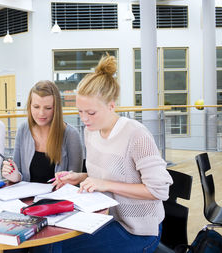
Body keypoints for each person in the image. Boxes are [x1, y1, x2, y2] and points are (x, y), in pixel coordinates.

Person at [53, 55, 173, 253]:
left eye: (91, 113)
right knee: (51, 243)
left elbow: (159, 191)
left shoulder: (136, 135)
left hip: (138, 231)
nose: (84, 119)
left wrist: (105, 185)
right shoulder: (91, 131)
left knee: (58, 248)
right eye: (80, 111)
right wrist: (79, 177)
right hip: (108, 219)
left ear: (111, 105)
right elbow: (105, 176)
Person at [1, 80, 83, 184]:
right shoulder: (23, 130)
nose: (41, 113)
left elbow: (75, 180)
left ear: (56, 109)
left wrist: (65, 182)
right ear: (29, 106)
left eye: (48, 108)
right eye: (36, 107)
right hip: (27, 197)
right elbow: (19, 174)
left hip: (59, 198)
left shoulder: (71, 135)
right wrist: (15, 176)